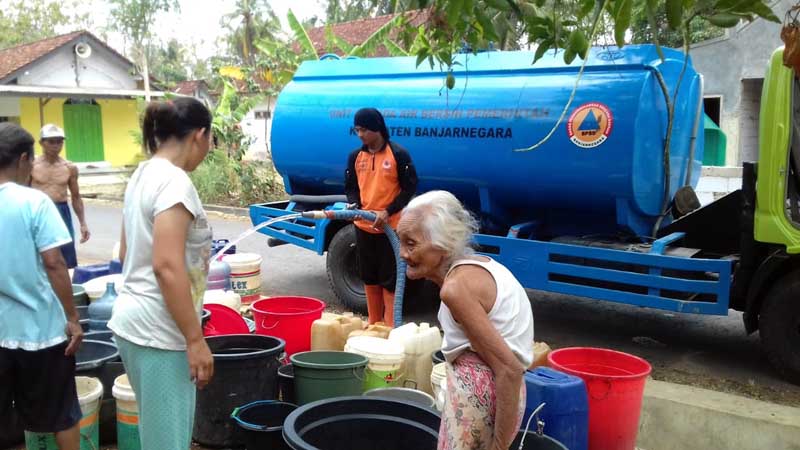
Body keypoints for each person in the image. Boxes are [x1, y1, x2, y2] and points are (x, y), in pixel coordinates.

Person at [108, 98, 214, 450]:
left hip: (133, 322)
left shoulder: (143, 173)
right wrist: (194, 339)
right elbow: (166, 267)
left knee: (157, 435)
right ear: (200, 135)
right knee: (167, 442)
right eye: (211, 139)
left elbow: (124, 252)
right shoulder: (174, 183)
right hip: (160, 330)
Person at [397, 190, 534, 450]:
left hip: (484, 395)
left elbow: (509, 370)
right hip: (496, 395)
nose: (403, 253)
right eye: (400, 241)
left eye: (411, 243)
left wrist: (499, 446)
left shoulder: (456, 289)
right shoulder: (479, 267)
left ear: (444, 244)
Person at [0, 123, 84, 450]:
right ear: (24, 159)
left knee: (6, 422)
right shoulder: (34, 202)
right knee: (63, 412)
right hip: (41, 332)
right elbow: (54, 263)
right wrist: (73, 318)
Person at [344, 107, 418, 326]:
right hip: (363, 226)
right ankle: (374, 322)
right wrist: (354, 203)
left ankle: (389, 325)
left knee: (390, 279)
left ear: (377, 128)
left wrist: (387, 212)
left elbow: (409, 188)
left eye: (364, 129)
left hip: (390, 227)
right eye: (357, 130)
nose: (360, 135)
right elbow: (350, 187)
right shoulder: (355, 157)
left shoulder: (398, 154)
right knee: (369, 276)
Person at [30, 124, 90, 269]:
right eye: (51, 141)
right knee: (38, 252)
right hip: (37, 211)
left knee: (66, 249)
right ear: (41, 143)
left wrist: (83, 223)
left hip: (61, 211)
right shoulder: (32, 165)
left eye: (59, 141)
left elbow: (76, 197)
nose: (56, 145)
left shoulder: (69, 167)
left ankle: (68, 284)